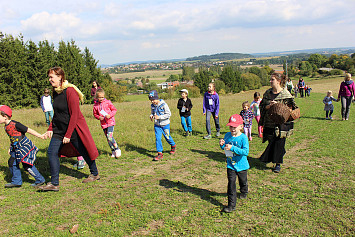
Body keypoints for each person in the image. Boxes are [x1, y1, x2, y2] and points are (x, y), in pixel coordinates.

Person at [39, 67, 100, 192]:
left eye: (52, 77)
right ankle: (54, 183)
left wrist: (68, 134)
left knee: (83, 150)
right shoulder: (55, 91)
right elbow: (56, 113)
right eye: (49, 77)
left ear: (60, 77)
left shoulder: (70, 91)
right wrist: (51, 128)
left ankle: (94, 173)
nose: (50, 80)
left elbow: (75, 114)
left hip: (72, 129)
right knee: (51, 152)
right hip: (58, 129)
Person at [259, 73, 298, 173]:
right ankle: (277, 155)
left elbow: (292, 109)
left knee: (279, 143)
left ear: (278, 81)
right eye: (270, 79)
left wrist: (279, 106)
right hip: (269, 122)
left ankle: (277, 164)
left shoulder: (286, 94)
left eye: (272, 79)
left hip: (281, 123)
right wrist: (268, 107)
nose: (270, 81)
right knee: (271, 142)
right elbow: (262, 106)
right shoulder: (267, 93)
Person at [0, 105, 46, 188]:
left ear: (5, 116)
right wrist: (10, 148)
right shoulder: (6, 126)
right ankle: (16, 181)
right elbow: (12, 137)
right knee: (12, 162)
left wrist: (40, 136)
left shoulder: (16, 124)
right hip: (15, 147)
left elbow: (29, 130)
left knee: (26, 164)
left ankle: (40, 180)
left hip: (24, 146)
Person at [219, 114, 249, 213]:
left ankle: (244, 190)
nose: (232, 129)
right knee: (231, 184)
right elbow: (225, 148)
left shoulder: (243, 138)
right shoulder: (227, 135)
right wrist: (222, 145)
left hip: (242, 165)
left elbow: (245, 152)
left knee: (242, 181)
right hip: (230, 165)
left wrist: (233, 148)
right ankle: (231, 205)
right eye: (231, 126)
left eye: (235, 127)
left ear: (241, 126)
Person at [93, 88, 121, 158]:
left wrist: (110, 115)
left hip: (110, 122)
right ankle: (113, 151)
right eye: (99, 97)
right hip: (103, 124)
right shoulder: (95, 105)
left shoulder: (108, 102)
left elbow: (114, 110)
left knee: (110, 136)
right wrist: (99, 117)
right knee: (108, 138)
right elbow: (95, 114)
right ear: (97, 97)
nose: (101, 98)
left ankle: (117, 149)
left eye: (102, 97)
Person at [149, 90, 176, 161]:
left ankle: (173, 145)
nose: (152, 101)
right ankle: (160, 153)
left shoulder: (164, 105)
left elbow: (168, 114)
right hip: (157, 125)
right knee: (158, 138)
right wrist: (151, 116)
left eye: (153, 99)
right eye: (151, 100)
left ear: (157, 98)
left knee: (167, 137)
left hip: (165, 124)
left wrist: (160, 117)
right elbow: (152, 113)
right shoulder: (152, 106)